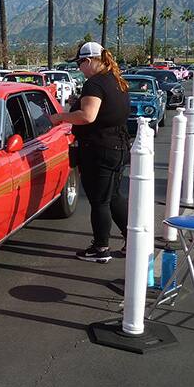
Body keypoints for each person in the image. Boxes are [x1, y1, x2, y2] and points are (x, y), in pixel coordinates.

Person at [50, 41, 130, 264]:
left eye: (80, 63)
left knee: (100, 201)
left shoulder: (94, 84)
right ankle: (131, 240)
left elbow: (87, 116)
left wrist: (59, 117)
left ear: (90, 61)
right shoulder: (116, 81)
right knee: (113, 195)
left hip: (100, 149)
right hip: (119, 146)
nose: (80, 69)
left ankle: (100, 248)